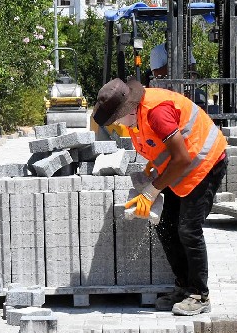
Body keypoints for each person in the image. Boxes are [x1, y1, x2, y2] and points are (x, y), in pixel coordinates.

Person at [92, 78, 227, 316]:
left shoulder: (156, 113)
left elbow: (183, 158)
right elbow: (162, 149)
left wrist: (153, 190)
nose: (117, 126)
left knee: (188, 229)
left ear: (127, 109)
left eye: (116, 121)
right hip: (182, 165)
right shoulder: (136, 118)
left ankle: (199, 295)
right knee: (165, 224)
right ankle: (184, 287)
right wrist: (153, 169)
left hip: (205, 162)